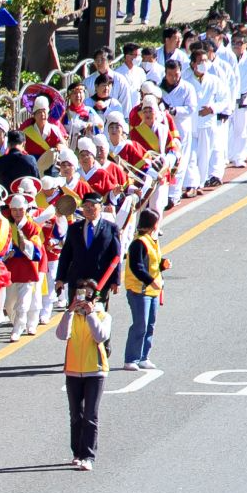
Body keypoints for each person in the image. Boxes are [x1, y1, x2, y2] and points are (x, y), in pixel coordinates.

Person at [57, 285, 112, 470]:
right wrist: (70, 310)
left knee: (90, 415)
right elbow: (61, 334)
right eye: (80, 295)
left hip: (95, 371)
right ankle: (77, 453)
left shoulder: (103, 316)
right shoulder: (72, 316)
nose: (83, 301)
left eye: (87, 297)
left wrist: (90, 315)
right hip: (73, 370)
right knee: (75, 415)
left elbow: (100, 336)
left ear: (95, 299)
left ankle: (88, 456)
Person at [122, 208, 169, 372]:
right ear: (153, 224)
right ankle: (131, 358)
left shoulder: (151, 240)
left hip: (152, 291)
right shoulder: (138, 243)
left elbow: (150, 263)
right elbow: (137, 267)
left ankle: (143, 356)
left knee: (150, 324)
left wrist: (162, 264)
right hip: (139, 290)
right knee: (140, 324)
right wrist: (151, 281)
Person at [57, 190, 120, 299]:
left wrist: (115, 280)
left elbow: (116, 256)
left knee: (97, 312)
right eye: (85, 205)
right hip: (77, 280)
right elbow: (66, 255)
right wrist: (60, 278)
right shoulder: (74, 228)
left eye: (92, 205)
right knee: (76, 312)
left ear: (100, 207)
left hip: (99, 282)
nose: (88, 208)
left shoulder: (111, 228)